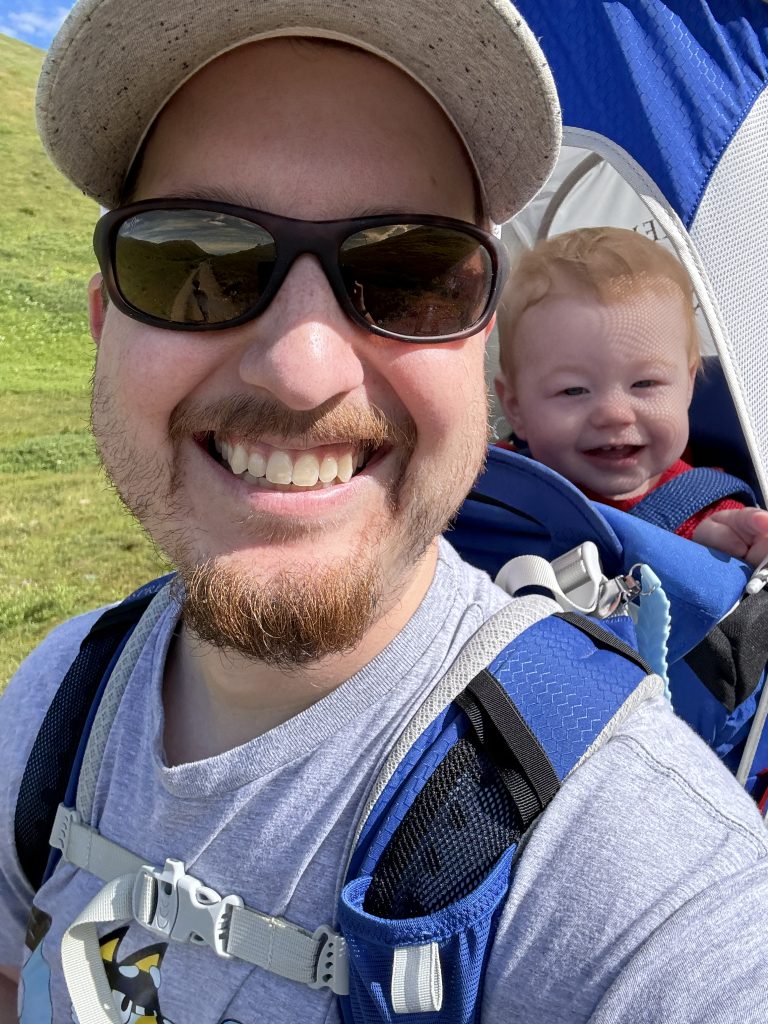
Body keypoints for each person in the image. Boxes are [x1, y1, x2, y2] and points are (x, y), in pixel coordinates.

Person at [1, 3, 768, 1022]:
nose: (300, 367)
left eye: (407, 279)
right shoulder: (56, 699)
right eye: (201, 262)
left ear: (477, 357)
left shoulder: (637, 857)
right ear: (107, 325)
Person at [495, 226, 768, 566]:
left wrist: (727, 557)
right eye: (573, 390)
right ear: (516, 407)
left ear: (688, 385)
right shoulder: (488, 489)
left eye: (645, 384)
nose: (614, 414)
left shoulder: (711, 515)